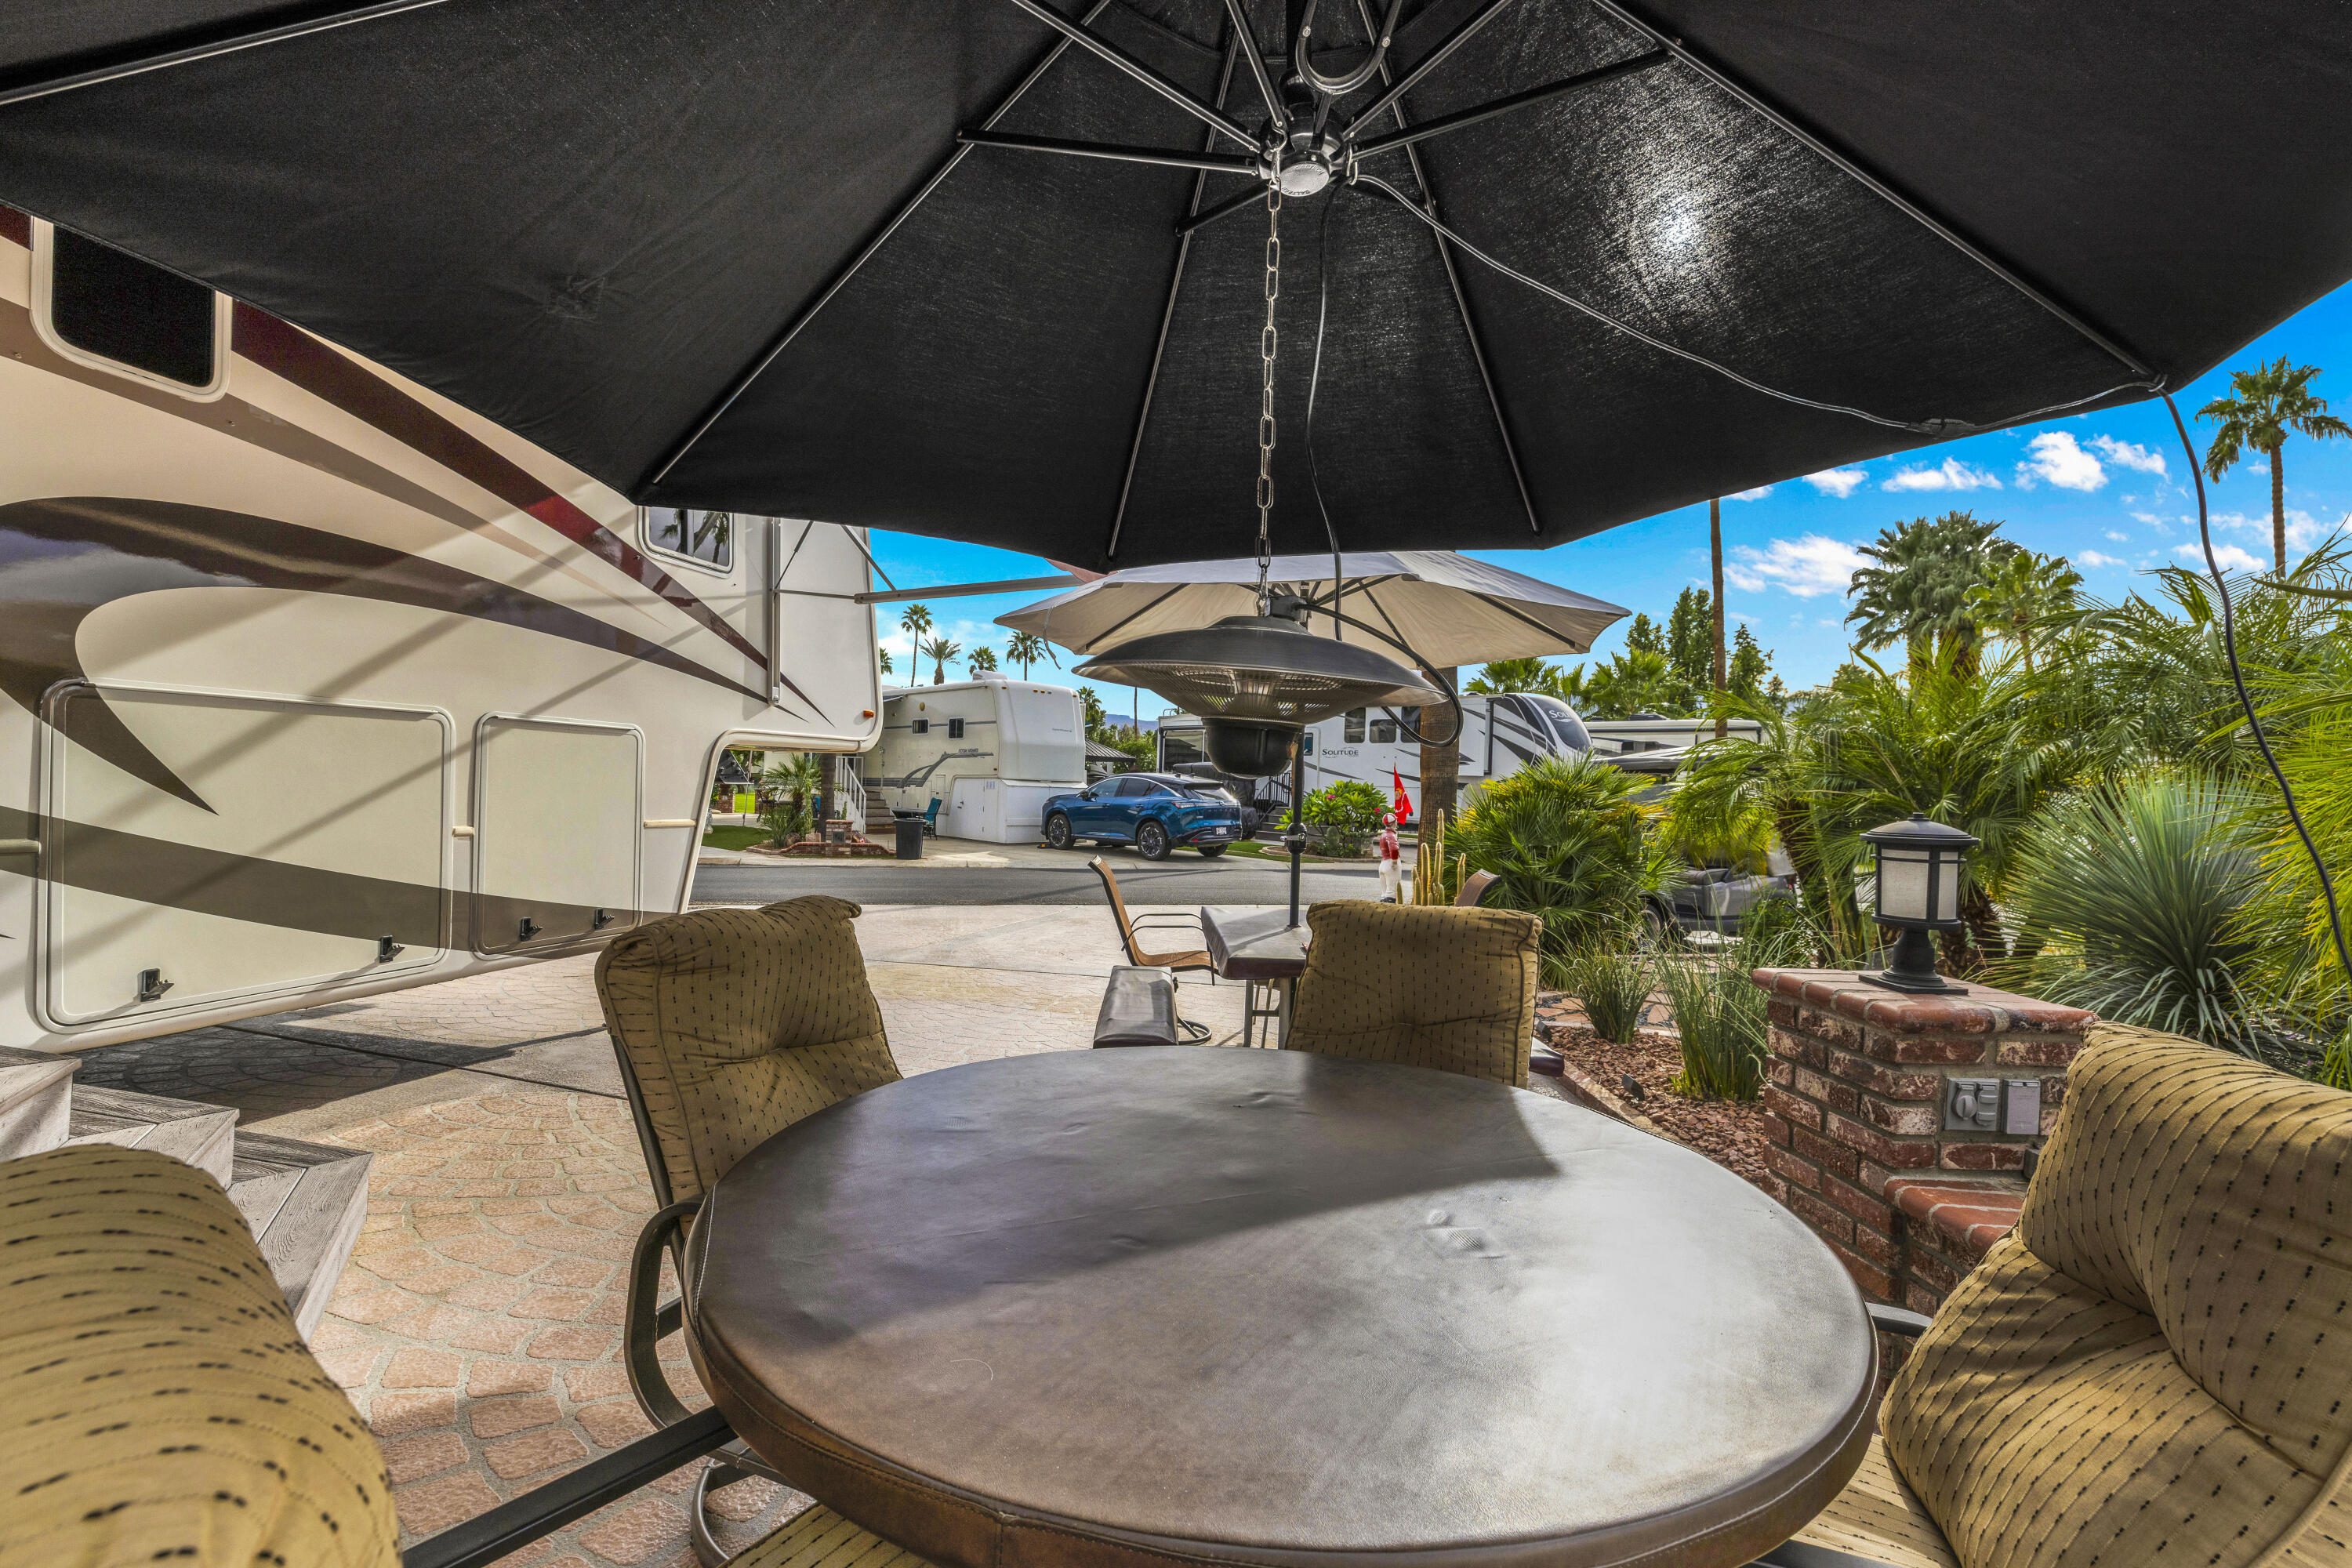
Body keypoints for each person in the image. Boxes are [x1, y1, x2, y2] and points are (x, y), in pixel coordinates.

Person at [1376, 812, 1402, 902]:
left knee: (1384, 893)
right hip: (1391, 864)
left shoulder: (1383, 835)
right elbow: (1394, 849)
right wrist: (1394, 862)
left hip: (1383, 863)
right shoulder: (1391, 835)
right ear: (1393, 823)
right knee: (1391, 892)